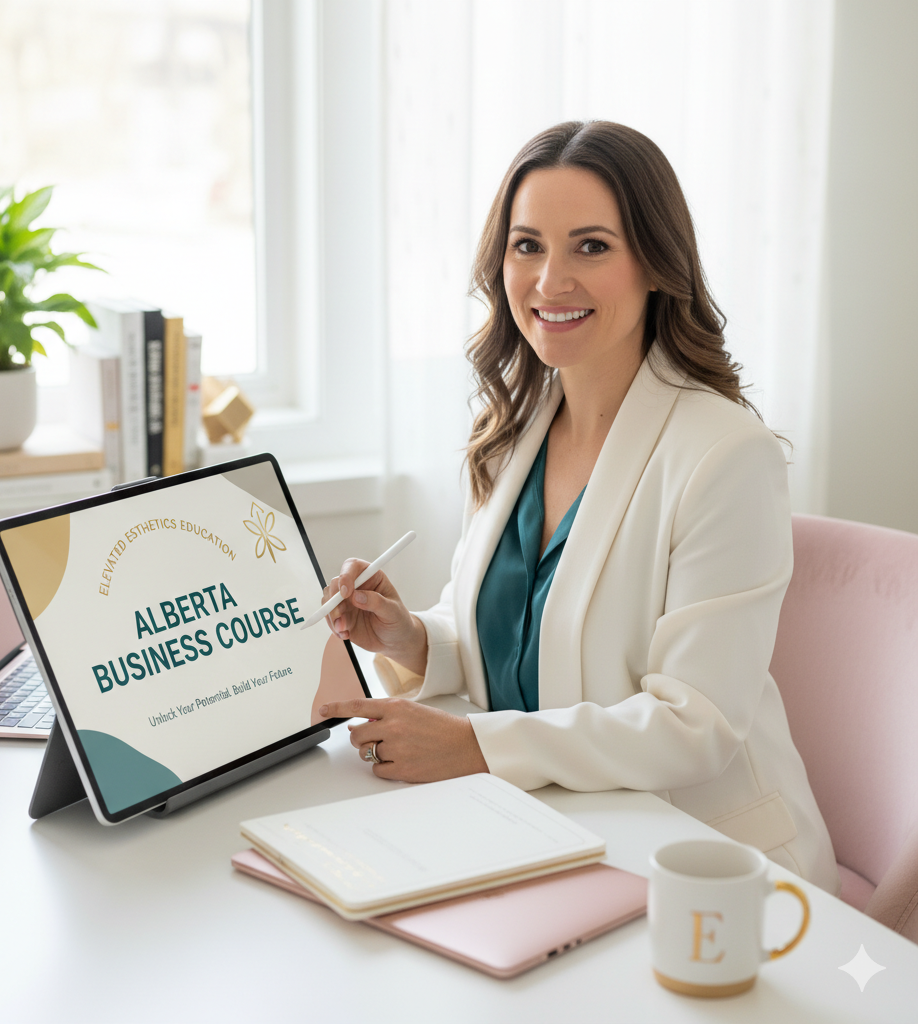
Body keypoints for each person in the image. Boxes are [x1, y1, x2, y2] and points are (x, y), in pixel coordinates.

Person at [318, 120, 839, 893]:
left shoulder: (727, 456)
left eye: (591, 246)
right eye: (527, 246)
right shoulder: (511, 432)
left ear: (657, 266)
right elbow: (519, 643)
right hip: (547, 834)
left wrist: (476, 747)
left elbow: (695, 726)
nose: (549, 281)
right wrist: (415, 639)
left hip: (711, 871)